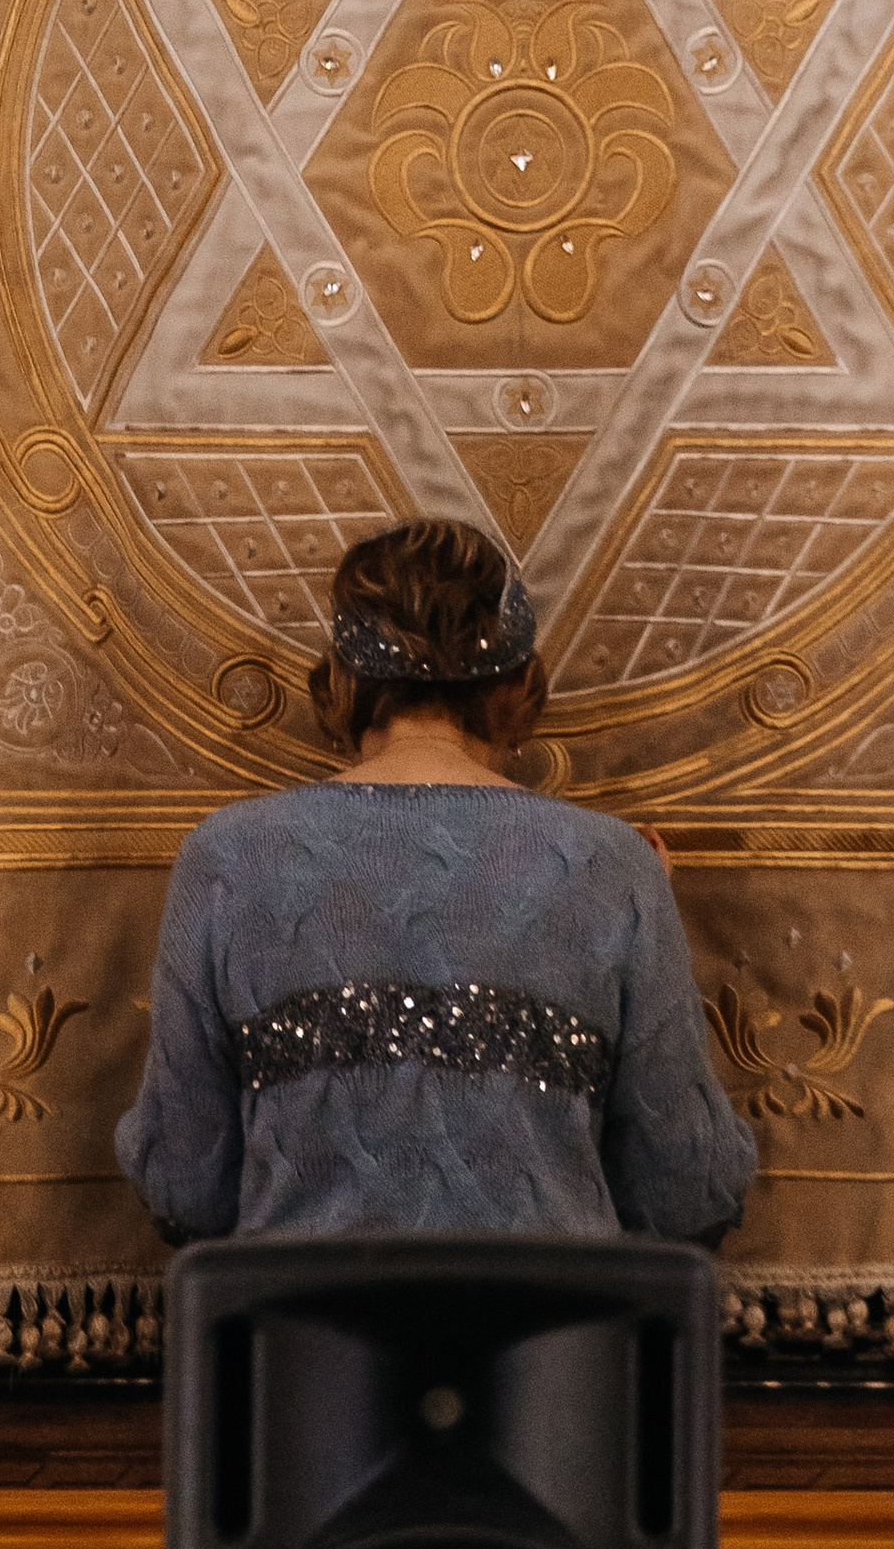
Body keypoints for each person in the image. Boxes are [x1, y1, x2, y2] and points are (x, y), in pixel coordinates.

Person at [116, 517, 756, 1246]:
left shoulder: (225, 857)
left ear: (342, 678)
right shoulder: (611, 864)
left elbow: (184, 1186)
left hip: (300, 1345)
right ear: (518, 683)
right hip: (557, 1346)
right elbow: (686, 1188)